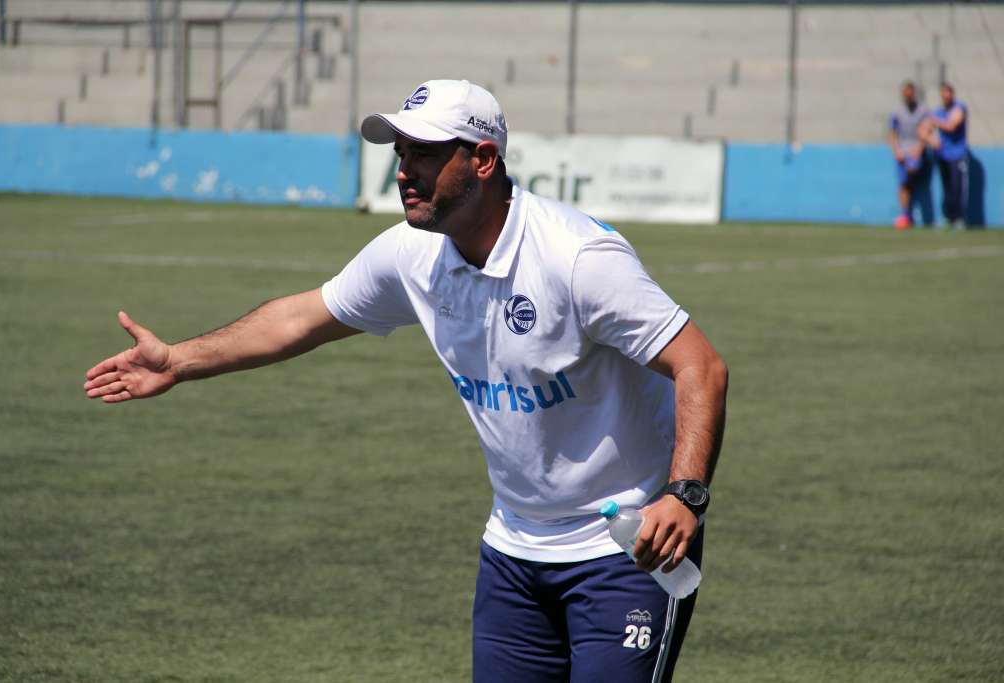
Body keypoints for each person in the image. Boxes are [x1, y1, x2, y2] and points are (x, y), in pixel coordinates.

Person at [84, 79, 728, 683]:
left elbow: (700, 366)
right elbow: (300, 319)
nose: (402, 170)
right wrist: (179, 360)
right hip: (512, 552)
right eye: (400, 152)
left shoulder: (578, 259)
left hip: (627, 549)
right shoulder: (411, 252)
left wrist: (684, 496)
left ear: (482, 160)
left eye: (423, 153)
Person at [888, 81, 931, 230]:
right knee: (903, 184)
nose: (908, 96)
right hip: (902, 152)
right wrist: (897, 151)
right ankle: (905, 215)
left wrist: (919, 149)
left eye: (910, 93)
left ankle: (912, 216)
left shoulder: (923, 111)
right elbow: (892, 133)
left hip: (916, 152)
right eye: (905, 94)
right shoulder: (897, 112)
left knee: (909, 182)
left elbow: (927, 131)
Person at [928, 82, 970, 229]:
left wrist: (935, 121)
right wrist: (931, 139)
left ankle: (958, 218)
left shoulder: (959, 107)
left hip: (957, 155)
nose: (946, 96)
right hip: (942, 156)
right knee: (946, 187)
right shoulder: (938, 111)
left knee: (956, 187)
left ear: (952, 94)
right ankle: (947, 217)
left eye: (948, 93)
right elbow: (923, 130)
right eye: (943, 93)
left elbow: (951, 125)